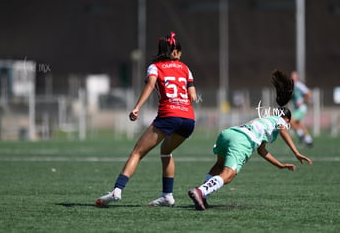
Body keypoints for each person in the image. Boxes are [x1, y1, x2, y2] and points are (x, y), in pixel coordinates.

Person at [96, 32, 197, 207]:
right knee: (166, 152)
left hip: (168, 116)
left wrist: (136, 108)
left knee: (137, 152)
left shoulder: (155, 67)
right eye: (180, 52)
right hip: (188, 120)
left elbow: (150, 85)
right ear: (175, 52)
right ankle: (167, 196)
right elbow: (193, 97)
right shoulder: (185, 68)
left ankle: (117, 190)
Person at [188, 70, 312, 211]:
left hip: (228, 134)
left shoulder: (267, 120)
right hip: (242, 141)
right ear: (287, 119)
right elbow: (283, 129)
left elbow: (262, 150)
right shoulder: (280, 121)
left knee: (219, 165)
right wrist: (296, 152)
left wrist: (279, 165)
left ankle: (203, 196)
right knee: (229, 175)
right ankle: (201, 191)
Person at [290, 71, 313, 147]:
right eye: (291, 76)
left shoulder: (299, 85)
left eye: (294, 76)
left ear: (297, 77)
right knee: (300, 124)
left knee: (291, 121)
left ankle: (301, 136)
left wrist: (302, 102)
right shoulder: (292, 86)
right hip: (296, 109)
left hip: (301, 108)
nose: (292, 77)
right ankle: (309, 140)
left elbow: (309, 94)